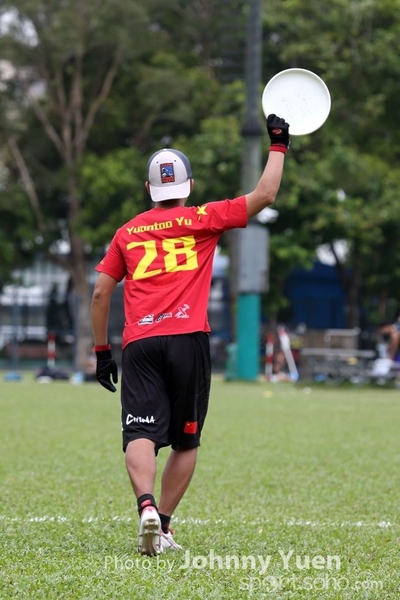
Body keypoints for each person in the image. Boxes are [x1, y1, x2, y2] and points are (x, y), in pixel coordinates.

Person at [91, 114, 290, 556]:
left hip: (140, 343)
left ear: (148, 189)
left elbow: (101, 293)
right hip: (188, 339)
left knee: (139, 431)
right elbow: (265, 194)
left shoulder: (127, 232)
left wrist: (103, 351)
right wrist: (279, 144)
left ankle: (145, 505)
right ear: (190, 185)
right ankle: (162, 524)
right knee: (186, 439)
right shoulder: (204, 218)